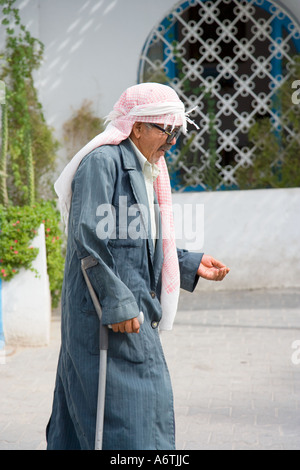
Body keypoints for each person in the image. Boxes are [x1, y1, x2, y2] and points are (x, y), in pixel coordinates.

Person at [46, 83, 230, 450]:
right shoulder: (103, 163)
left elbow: (137, 239)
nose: (173, 141)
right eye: (167, 130)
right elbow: (89, 240)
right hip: (105, 317)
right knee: (118, 424)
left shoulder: (147, 168)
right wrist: (117, 303)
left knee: (136, 417)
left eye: (177, 131)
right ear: (136, 128)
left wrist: (189, 263)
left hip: (135, 314)